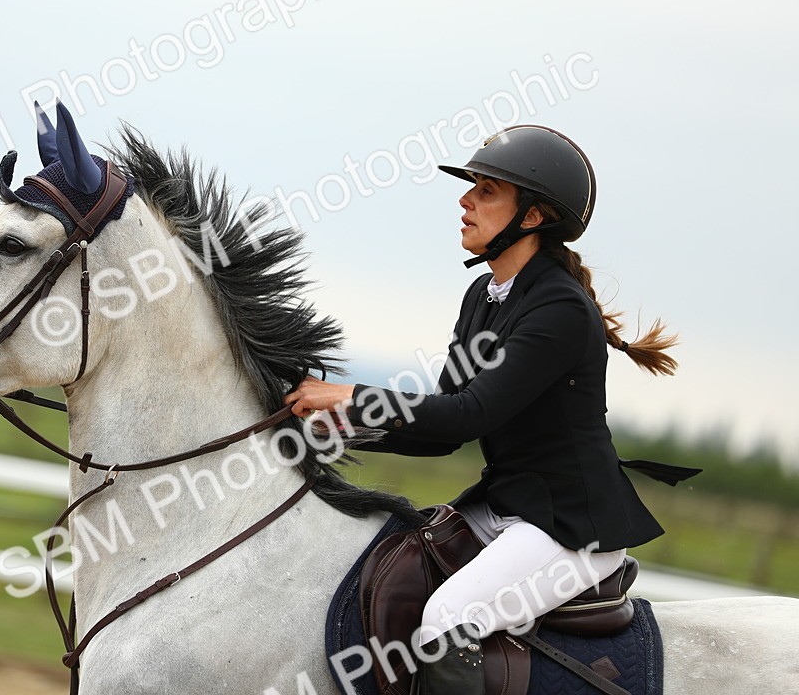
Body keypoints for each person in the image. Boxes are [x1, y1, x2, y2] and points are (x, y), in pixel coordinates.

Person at [283, 125, 699, 695]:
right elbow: (441, 433)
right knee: (392, 558)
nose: (465, 201)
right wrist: (339, 427)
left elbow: (467, 416)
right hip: (507, 508)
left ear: (531, 217)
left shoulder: (560, 309)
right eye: (472, 188)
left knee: (447, 617)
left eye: (485, 191)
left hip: (571, 532)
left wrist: (351, 394)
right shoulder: (485, 297)